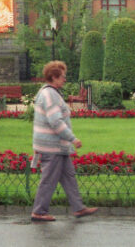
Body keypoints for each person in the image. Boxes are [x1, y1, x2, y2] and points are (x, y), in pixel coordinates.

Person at [30, 60, 98, 222]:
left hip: (57, 147)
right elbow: (55, 121)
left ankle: (78, 208)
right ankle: (39, 212)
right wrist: (73, 139)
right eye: (62, 77)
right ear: (53, 77)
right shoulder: (50, 95)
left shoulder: (50, 92)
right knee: (49, 180)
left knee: (69, 177)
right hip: (51, 146)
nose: (64, 79)